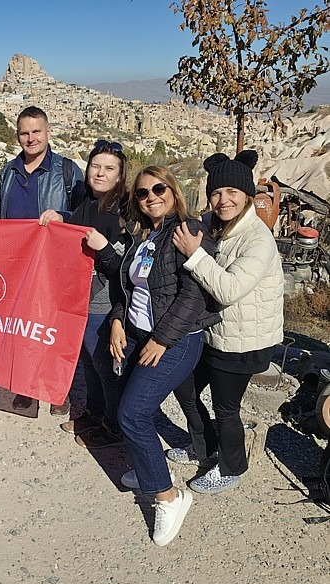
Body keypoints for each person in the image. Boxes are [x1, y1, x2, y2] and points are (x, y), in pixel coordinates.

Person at [84, 165, 219, 547]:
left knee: (133, 413)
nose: (151, 197)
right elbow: (125, 288)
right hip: (137, 334)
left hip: (174, 341)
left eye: (158, 189)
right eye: (142, 193)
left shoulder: (187, 231)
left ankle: (167, 496)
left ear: (173, 191)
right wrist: (115, 321)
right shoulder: (144, 235)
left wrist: (162, 339)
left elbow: (194, 297)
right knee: (126, 405)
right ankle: (149, 469)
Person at [170, 151, 284, 494]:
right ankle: (204, 448)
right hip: (217, 334)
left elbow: (229, 290)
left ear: (247, 195)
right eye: (217, 193)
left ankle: (232, 466)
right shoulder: (218, 226)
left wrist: (194, 254)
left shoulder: (257, 239)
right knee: (184, 387)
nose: (223, 200)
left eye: (232, 192)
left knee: (226, 408)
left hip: (243, 342)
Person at [40, 140, 128, 444]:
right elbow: (77, 223)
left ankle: (114, 428)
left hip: (101, 301)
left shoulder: (123, 211)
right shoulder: (85, 199)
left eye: (109, 169)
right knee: (88, 364)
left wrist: (103, 249)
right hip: (77, 297)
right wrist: (61, 216)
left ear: (120, 175)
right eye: (96, 166)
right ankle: (94, 414)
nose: (100, 173)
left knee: (104, 367)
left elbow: (121, 268)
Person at [0, 106, 84, 416]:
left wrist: (62, 217)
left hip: (54, 264)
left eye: (36, 131)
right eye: (24, 132)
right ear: (17, 135)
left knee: (53, 327)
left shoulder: (67, 170)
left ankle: (57, 390)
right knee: (24, 326)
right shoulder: (7, 173)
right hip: (17, 263)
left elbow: (84, 215)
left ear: (48, 133)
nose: (31, 138)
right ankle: (27, 387)